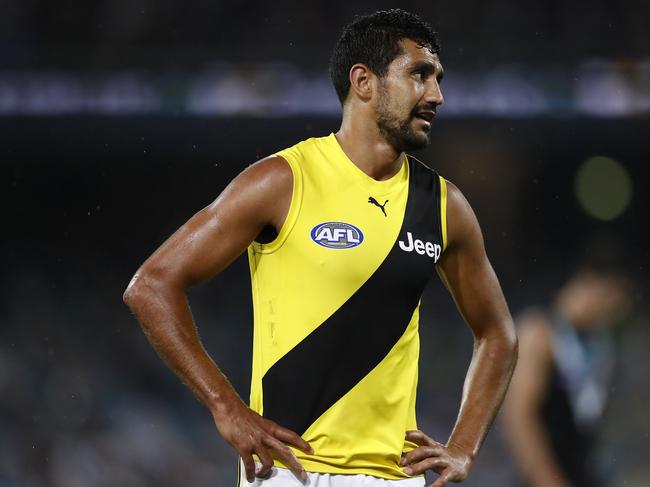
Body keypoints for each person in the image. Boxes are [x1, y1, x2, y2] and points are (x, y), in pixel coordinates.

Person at [123, 9, 517, 487]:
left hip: (394, 478)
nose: (436, 95)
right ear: (363, 81)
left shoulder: (442, 205)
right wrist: (225, 405)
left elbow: (498, 334)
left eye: (437, 79)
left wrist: (464, 448)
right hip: (291, 472)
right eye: (419, 75)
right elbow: (152, 284)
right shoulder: (283, 180)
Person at [503, 267, 631, 487]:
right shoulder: (538, 334)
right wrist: (547, 480)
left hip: (580, 472)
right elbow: (519, 417)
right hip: (544, 478)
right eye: (612, 297)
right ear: (587, 283)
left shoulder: (597, 342)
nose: (617, 310)